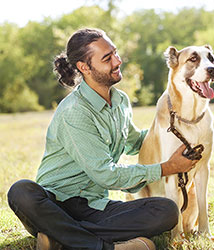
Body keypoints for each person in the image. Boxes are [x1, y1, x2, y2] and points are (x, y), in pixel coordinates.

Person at [7, 28, 198, 250]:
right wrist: (167, 167)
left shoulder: (120, 101)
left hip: (94, 206)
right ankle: (106, 247)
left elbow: (137, 141)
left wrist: (176, 136)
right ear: (84, 68)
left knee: (165, 211)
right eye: (107, 58)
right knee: (21, 191)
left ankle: (61, 237)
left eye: (115, 53)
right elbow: (105, 174)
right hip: (53, 205)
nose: (117, 61)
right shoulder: (74, 111)